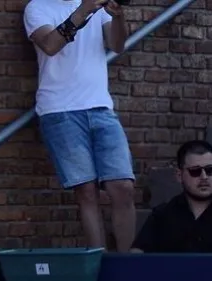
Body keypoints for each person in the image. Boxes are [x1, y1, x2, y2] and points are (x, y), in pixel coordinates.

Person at [23, 0, 137, 251]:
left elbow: (117, 46)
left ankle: (129, 263)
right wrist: (84, 10)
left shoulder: (95, 7)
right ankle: (100, 259)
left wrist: (118, 16)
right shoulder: (37, 8)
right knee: (86, 191)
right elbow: (50, 45)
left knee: (123, 187)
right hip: (59, 110)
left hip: (101, 107)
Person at [131, 140, 212, 253]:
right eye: (195, 171)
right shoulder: (162, 215)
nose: (204, 177)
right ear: (179, 175)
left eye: (210, 170)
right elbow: (137, 253)